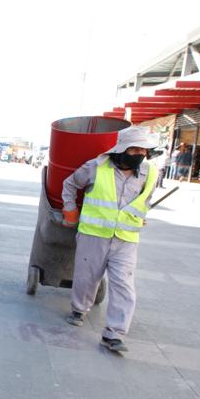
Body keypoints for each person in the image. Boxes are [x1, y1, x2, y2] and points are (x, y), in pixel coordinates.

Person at [61, 126, 159, 355]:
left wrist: (140, 214)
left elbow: (147, 198)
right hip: (93, 234)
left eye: (143, 150)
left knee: (124, 285)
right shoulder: (96, 166)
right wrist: (70, 210)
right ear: (122, 149)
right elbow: (70, 184)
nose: (140, 155)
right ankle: (79, 309)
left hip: (126, 239)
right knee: (87, 277)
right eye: (134, 149)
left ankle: (114, 334)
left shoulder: (150, 172)